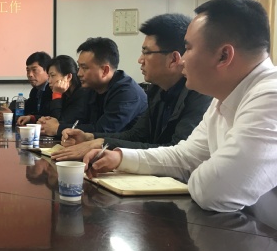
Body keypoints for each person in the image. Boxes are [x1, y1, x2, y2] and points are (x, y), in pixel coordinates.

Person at [84, 0, 277, 213]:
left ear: (224, 56)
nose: (182, 59)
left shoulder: (271, 98)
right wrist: (120, 158)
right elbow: (185, 156)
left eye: (189, 48)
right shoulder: (223, 97)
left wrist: (194, 171)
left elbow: (213, 191)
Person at [53, 13, 212, 160]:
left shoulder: (200, 94)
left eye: (146, 52)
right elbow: (136, 135)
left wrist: (102, 144)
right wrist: (91, 138)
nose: (140, 60)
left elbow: (176, 153)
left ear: (173, 59)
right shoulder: (157, 90)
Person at [65, 37, 147, 135]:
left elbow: (102, 131)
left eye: (84, 68)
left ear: (105, 70)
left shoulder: (127, 93)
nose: (79, 73)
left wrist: (58, 128)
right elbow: (75, 120)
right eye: (79, 67)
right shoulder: (91, 87)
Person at [0, 51, 53, 125]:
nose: (30, 74)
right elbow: (26, 112)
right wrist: (5, 115)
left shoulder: (53, 90)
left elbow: (48, 116)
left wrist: (12, 116)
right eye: (28, 70)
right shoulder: (35, 91)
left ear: (48, 71)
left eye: (34, 70)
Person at [36, 55, 88, 137]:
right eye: (48, 76)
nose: (49, 81)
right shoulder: (63, 92)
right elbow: (50, 117)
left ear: (68, 76)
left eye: (53, 75)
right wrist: (40, 119)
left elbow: (58, 124)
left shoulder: (82, 94)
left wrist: (57, 94)